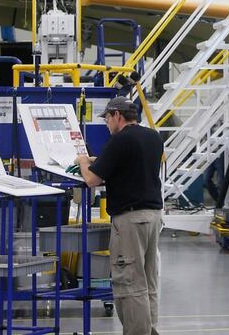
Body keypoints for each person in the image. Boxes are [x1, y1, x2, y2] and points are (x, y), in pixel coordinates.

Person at [76, 96, 164, 335]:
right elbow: (131, 166)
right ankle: (150, 329)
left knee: (130, 282)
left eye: (107, 118)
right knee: (148, 280)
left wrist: (84, 161)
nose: (106, 123)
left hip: (130, 220)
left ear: (117, 116)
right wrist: (101, 161)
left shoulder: (120, 140)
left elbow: (92, 179)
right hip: (153, 217)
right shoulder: (153, 137)